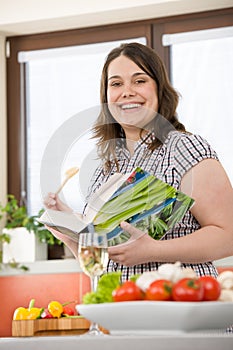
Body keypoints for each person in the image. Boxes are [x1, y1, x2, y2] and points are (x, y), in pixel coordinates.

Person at [44, 42, 233, 282]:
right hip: (118, 312)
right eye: (116, 83)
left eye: (139, 80)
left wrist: (154, 250)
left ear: (159, 89)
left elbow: (229, 237)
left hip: (181, 307)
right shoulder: (104, 166)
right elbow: (100, 262)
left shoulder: (185, 148)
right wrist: (69, 230)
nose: (127, 91)